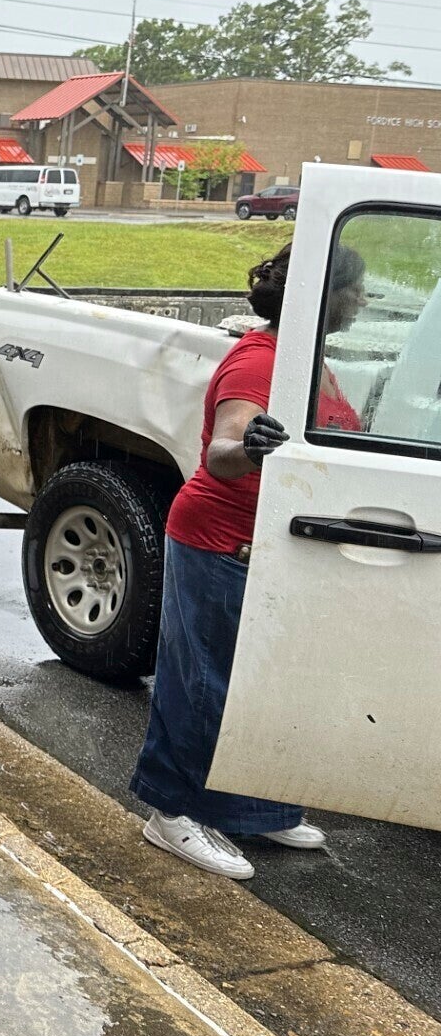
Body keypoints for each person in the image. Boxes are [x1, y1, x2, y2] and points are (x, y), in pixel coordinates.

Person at [130, 242, 366, 879]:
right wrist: (253, 449)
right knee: (202, 686)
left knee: (257, 689)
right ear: (323, 297)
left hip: (271, 547)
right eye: (355, 290)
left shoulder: (303, 360)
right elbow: (223, 453)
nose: (362, 302)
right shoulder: (258, 363)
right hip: (220, 543)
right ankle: (172, 814)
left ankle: (258, 810)